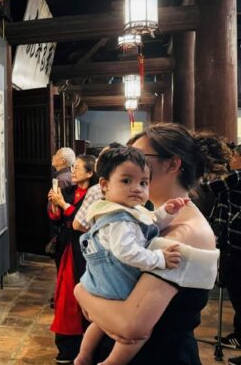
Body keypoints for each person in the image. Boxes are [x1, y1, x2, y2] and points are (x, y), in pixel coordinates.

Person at [74, 123, 225, 365]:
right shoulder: (145, 214)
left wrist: (80, 292)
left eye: (139, 157)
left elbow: (130, 325)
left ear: (172, 165)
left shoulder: (186, 231)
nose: (129, 163)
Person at [75, 146, 188, 365]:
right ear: (105, 185)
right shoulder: (119, 220)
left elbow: (149, 223)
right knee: (139, 334)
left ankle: (83, 356)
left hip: (98, 282)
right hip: (117, 283)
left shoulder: (123, 210)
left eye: (143, 183)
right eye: (126, 181)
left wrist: (166, 213)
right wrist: (159, 259)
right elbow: (126, 252)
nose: (136, 188)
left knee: (98, 324)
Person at [48, 154, 98, 363]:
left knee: (85, 294)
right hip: (67, 245)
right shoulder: (68, 191)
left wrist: (63, 204)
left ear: (90, 172)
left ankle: (88, 346)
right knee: (66, 295)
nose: (73, 171)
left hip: (85, 249)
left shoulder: (96, 194)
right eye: (73, 167)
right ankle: (67, 347)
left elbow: (82, 221)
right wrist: (54, 204)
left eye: (77, 168)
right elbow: (56, 218)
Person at [200, 143, 241, 363]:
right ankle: (238, 335)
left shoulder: (237, 176)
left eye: (234, 156)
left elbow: (208, 186)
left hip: (236, 245)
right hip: (233, 243)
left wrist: (211, 167)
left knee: (238, 293)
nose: (231, 160)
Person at [73, 142, 124, 233]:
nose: (96, 160)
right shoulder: (127, 187)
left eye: (100, 157)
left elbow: (78, 224)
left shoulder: (97, 190)